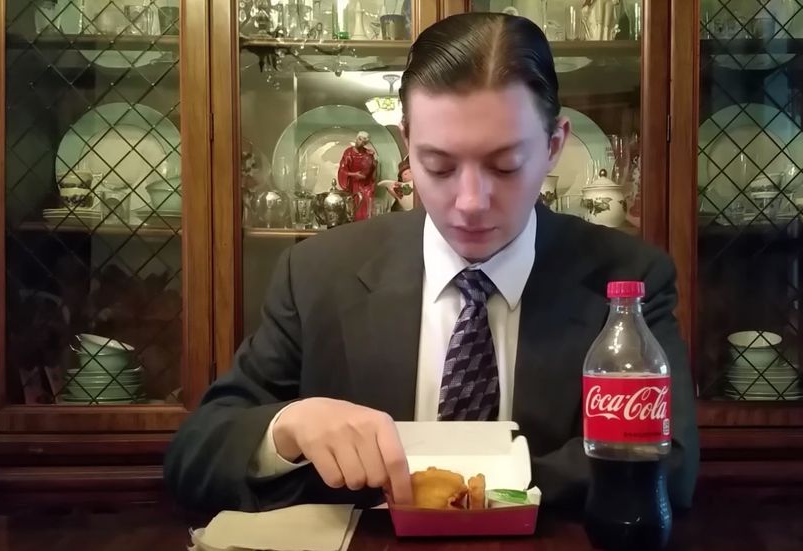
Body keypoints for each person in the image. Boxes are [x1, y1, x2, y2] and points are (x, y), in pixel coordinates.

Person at [164, 12, 699, 515]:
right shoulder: (316, 273)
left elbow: (667, 464)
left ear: (554, 146)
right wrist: (286, 428)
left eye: (505, 166)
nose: (470, 202)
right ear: (407, 144)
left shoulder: (627, 278)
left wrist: (469, 482)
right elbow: (195, 453)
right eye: (438, 167)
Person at [336, 131, 378, 220]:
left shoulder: (368, 154)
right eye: (359, 139)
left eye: (364, 142)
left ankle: (365, 221)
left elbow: (370, 172)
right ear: (356, 138)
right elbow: (342, 170)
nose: (360, 142)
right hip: (352, 184)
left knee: (367, 197)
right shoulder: (348, 153)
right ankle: (354, 220)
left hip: (365, 184)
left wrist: (374, 164)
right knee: (353, 201)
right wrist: (354, 174)